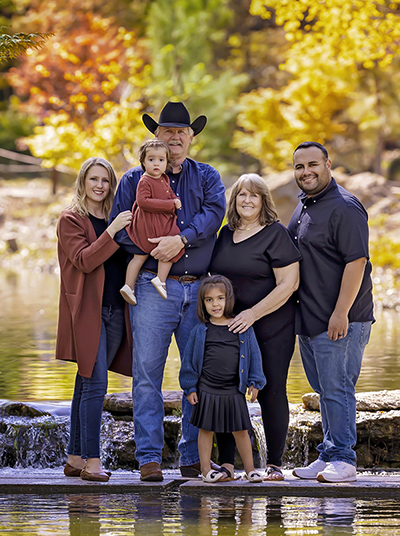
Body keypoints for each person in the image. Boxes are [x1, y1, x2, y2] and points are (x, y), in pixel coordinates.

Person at [111, 101, 226, 482]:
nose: (174, 137)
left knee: (195, 375)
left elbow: (214, 214)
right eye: (167, 131)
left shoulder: (207, 176)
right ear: (155, 137)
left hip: (199, 291)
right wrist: (149, 247)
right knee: (147, 375)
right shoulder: (132, 180)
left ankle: (193, 457)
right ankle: (149, 459)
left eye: (182, 132)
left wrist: (181, 239)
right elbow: (121, 226)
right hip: (149, 288)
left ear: (191, 138)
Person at [287, 141, 374, 484]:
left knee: (337, 388)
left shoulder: (345, 207)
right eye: (299, 167)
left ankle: (343, 459)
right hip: (310, 317)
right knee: (324, 388)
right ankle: (328, 454)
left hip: (341, 318)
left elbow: (357, 262)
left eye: (313, 165)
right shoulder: (305, 205)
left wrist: (341, 313)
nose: (306, 172)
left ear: (328, 164)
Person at [209, 174, 300, 481]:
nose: (247, 200)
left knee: (271, 391)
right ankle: (227, 464)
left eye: (254, 195)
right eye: (241, 195)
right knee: (225, 391)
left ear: (264, 200)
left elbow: (289, 283)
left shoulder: (276, 234)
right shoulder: (225, 234)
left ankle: (273, 464)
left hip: (272, 325)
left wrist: (253, 314)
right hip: (231, 329)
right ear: (233, 201)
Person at [56, 157, 133, 482]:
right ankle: (93, 463)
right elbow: (85, 261)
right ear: (83, 183)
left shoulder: (117, 216)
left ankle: (74, 458)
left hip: (117, 309)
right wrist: (113, 232)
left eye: (105, 180)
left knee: (85, 382)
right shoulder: (71, 219)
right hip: (89, 311)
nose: (100, 185)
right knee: (96, 385)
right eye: (94, 179)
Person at [179, 275, 266, 483]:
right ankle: (207, 470)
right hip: (207, 388)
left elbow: (254, 355)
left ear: (229, 299)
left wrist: (255, 382)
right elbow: (189, 362)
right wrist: (190, 388)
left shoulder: (241, 327)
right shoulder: (200, 331)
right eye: (209, 300)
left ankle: (250, 469)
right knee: (206, 429)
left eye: (220, 298)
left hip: (233, 388)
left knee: (241, 430)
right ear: (203, 303)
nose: (215, 304)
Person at [120, 138, 183, 305]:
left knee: (156, 250)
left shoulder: (164, 179)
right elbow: (143, 202)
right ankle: (135, 284)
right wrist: (170, 205)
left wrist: (175, 199)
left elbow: (168, 193)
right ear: (143, 162)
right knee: (165, 245)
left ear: (166, 162)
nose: (157, 164)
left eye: (161, 160)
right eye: (151, 159)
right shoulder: (145, 180)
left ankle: (138, 284)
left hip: (157, 221)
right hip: (148, 223)